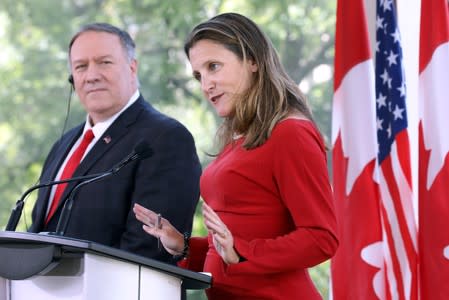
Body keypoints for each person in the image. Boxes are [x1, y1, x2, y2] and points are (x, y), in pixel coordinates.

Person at [134, 12, 338, 299]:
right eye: (198, 75)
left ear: (252, 60)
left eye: (214, 67)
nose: (206, 85)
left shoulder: (290, 133)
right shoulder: (242, 138)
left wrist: (239, 252)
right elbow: (238, 239)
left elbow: (322, 238)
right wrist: (184, 246)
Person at [29, 23, 201, 264]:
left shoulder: (166, 138)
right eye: (81, 66)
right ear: (72, 78)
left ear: (132, 68)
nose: (91, 75)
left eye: (104, 62)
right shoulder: (64, 145)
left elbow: (149, 250)